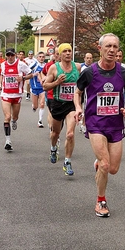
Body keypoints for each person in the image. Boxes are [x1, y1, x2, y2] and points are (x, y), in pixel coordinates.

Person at [74, 33, 125, 217]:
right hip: (95, 123)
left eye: (114, 47)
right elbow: (78, 93)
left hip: (116, 124)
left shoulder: (123, 72)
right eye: (108, 46)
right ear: (99, 48)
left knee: (113, 168)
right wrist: (78, 108)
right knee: (105, 164)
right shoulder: (89, 72)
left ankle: (99, 163)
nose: (111, 50)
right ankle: (101, 200)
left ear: (118, 50)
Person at [43, 43, 81, 176]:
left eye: (69, 51)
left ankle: (67, 161)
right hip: (58, 104)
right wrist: (57, 82)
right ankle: (53, 148)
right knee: (55, 134)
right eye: (64, 51)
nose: (68, 53)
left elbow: (80, 86)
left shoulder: (77, 67)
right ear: (60, 54)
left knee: (70, 134)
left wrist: (79, 105)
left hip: (71, 105)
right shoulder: (54, 68)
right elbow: (45, 86)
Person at [0, 48, 33, 151]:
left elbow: (31, 74)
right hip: (5, 94)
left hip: (17, 95)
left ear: (15, 55)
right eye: (8, 55)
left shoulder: (21, 64)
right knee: (7, 117)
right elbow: (2, 75)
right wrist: (0, 84)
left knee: (15, 117)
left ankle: (14, 121)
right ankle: (8, 141)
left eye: (12, 55)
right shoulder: (3, 64)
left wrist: (22, 78)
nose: (10, 57)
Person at [29, 51, 46, 127]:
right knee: (36, 106)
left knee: (42, 104)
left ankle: (40, 121)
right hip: (34, 87)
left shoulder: (46, 66)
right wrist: (33, 74)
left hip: (42, 88)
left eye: (43, 57)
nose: (42, 58)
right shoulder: (34, 65)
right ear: (37, 58)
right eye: (40, 57)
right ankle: (34, 106)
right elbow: (27, 72)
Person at [79, 52, 94, 133]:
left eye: (90, 58)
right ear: (84, 59)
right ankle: (81, 121)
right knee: (81, 107)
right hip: (81, 90)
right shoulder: (81, 67)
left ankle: (84, 124)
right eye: (87, 58)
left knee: (87, 107)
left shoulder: (94, 68)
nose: (89, 60)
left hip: (90, 90)